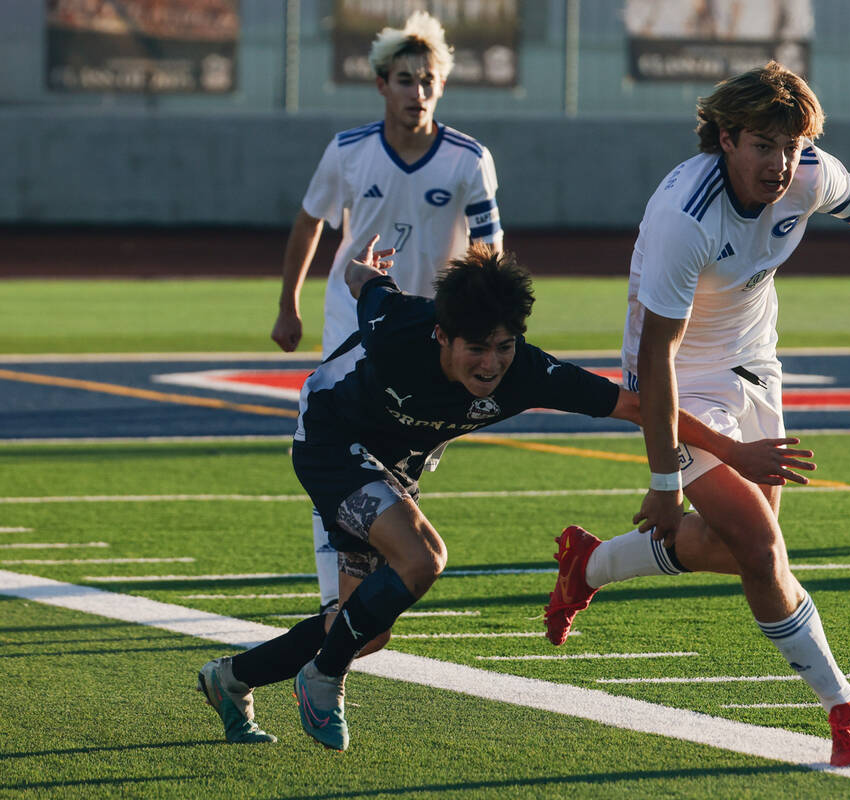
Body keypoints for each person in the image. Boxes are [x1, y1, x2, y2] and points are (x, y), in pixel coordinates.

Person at [197, 240, 814, 750]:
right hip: (329, 444)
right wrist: (362, 269)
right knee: (422, 558)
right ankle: (323, 677)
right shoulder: (398, 332)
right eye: (476, 347)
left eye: (504, 344)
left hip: (390, 467)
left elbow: (637, 404)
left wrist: (733, 453)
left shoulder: (526, 371)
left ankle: (231, 679)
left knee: (362, 628)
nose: (492, 363)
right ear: (441, 336)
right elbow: (367, 291)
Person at [542, 61, 850, 769]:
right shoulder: (687, 219)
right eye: (763, 144)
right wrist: (669, 483)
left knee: (737, 550)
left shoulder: (809, 172)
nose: (781, 162)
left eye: (791, 145)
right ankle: (844, 708)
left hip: (755, 360)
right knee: (764, 552)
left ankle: (591, 564)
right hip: (674, 374)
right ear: (726, 139)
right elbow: (657, 366)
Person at [269, 12, 504, 616]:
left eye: (427, 81)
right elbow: (309, 220)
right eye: (404, 80)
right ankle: (336, 595)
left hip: (430, 334)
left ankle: (362, 574)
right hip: (354, 317)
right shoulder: (348, 151)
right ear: (381, 85)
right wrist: (288, 301)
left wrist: (478, 318)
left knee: (401, 457)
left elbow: (491, 247)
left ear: (441, 87)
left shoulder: (467, 159)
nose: (416, 92)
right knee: (337, 444)